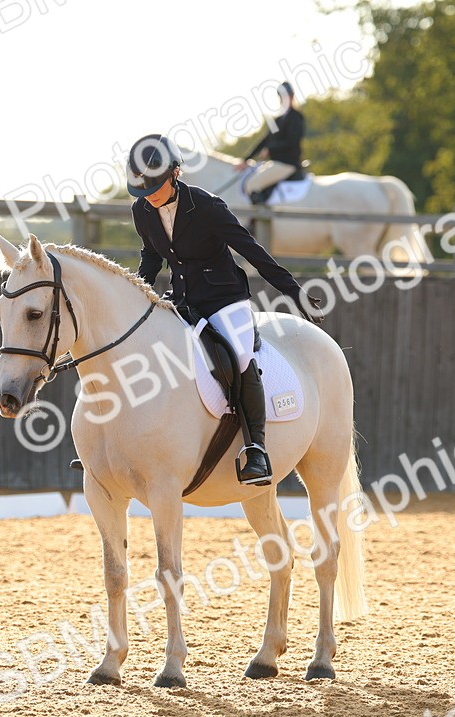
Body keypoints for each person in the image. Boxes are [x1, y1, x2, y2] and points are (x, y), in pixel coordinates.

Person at [126, 133, 322, 486]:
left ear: (175, 173)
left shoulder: (207, 206)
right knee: (141, 348)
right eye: (143, 190)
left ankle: (256, 450)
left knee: (239, 356)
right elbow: (151, 257)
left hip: (224, 298)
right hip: (182, 299)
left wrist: (295, 292)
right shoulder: (142, 210)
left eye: (154, 187)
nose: (149, 196)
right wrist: (136, 297)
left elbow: (252, 251)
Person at [236, 81, 306, 205]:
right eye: (281, 96)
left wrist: (270, 149)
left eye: (286, 96)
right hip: (275, 163)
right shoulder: (279, 119)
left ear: (291, 96)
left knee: (252, 184)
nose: (283, 99)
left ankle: (260, 222)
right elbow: (265, 140)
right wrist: (246, 159)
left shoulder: (296, 117)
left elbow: (292, 142)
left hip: (288, 164)